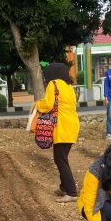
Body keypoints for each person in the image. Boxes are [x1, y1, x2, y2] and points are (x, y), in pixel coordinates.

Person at [36, 62, 79, 203]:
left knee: (60, 159)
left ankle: (71, 192)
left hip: (62, 126)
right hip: (72, 125)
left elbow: (47, 104)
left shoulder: (53, 84)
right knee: (61, 157)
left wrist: (37, 104)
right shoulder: (68, 86)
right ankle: (63, 187)